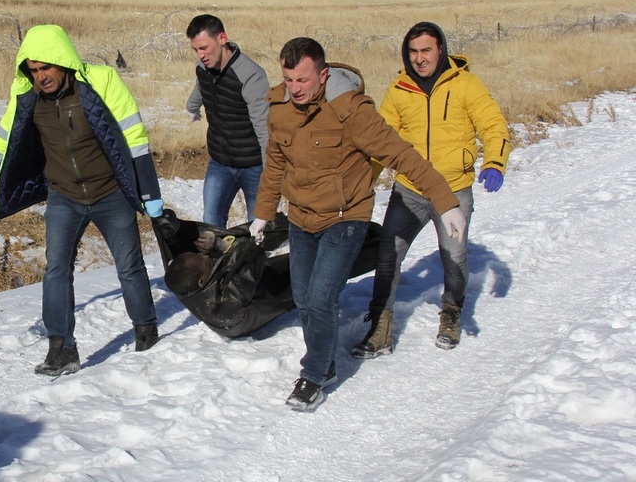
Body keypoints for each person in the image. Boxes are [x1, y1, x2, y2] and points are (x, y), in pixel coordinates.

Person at [250, 37, 465, 412]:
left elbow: (401, 153)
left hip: (345, 217)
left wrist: (445, 201)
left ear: (323, 74)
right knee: (302, 298)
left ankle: (315, 375)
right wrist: (263, 212)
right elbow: (275, 167)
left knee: (320, 298)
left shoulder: (350, 111)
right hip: (302, 217)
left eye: (302, 80)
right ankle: (325, 359)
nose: (295, 89)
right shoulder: (280, 109)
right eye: (289, 80)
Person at [0, 24, 164, 377]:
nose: (41, 77)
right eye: (34, 71)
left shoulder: (101, 83)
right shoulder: (28, 98)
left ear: (63, 62)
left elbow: (134, 136)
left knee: (129, 267)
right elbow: (1, 141)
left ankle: (145, 329)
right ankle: (61, 348)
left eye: (46, 68)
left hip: (110, 193)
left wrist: (150, 193)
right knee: (56, 270)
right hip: (63, 196)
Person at [351, 21, 512, 359]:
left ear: (441, 50)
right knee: (387, 257)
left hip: (453, 191)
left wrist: (495, 161)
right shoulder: (399, 88)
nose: (420, 58)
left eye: (426, 50)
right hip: (409, 189)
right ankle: (381, 327)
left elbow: (493, 124)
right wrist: (362, 179)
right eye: (413, 51)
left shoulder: (466, 84)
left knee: (454, 259)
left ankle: (451, 313)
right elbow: (382, 141)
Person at [154, 209, 382, 339]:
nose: (203, 256)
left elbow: (178, 257)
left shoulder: (186, 280)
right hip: (258, 302)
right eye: (203, 260)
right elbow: (251, 260)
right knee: (316, 268)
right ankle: (379, 247)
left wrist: (171, 229)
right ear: (203, 281)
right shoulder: (226, 305)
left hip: (247, 294)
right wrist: (221, 247)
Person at [185, 14, 270, 228]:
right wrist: (191, 107)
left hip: (253, 166)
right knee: (211, 226)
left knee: (258, 230)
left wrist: (270, 177)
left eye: (204, 47)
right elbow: (201, 87)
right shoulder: (203, 66)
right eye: (196, 50)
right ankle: (219, 262)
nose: (201, 55)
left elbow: (264, 129)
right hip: (220, 162)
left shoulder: (251, 76)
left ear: (222, 38)